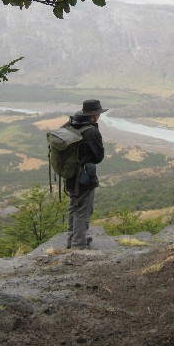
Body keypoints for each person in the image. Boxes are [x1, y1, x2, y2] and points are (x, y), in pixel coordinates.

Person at [65, 99, 107, 250]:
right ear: (94, 115)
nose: (99, 116)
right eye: (98, 113)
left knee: (73, 206)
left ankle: (73, 238)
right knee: (83, 209)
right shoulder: (91, 131)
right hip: (84, 177)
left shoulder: (72, 124)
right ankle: (78, 244)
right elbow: (98, 157)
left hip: (70, 174)